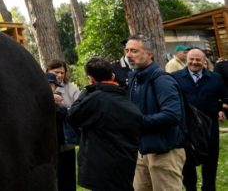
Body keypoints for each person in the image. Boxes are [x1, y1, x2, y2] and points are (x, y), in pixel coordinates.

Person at [67, 57, 142, 191]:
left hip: (101, 165)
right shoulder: (123, 95)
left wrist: (88, 89)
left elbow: (73, 115)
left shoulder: (95, 99)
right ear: (112, 75)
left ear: (90, 78)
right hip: (125, 160)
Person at [125, 34, 187, 190]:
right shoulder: (134, 78)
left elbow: (172, 115)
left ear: (149, 54)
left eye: (134, 50)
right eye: (127, 51)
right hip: (142, 150)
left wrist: (138, 122)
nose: (128, 55)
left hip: (165, 151)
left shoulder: (162, 80)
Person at [170, 47, 227, 191]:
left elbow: (224, 96)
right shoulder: (175, 77)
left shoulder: (215, 78)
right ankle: (190, 188)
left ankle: (209, 187)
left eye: (198, 60)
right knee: (187, 161)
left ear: (204, 61)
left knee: (210, 160)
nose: (194, 62)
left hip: (209, 126)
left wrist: (221, 109)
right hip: (186, 126)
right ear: (186, 60)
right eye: (191, 59)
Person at [49, 73, 76, 191]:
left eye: (53, 85)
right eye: (49, 84)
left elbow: (66, 114)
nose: (52, 87)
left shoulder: (59, 99)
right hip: (50, 148)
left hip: (65, 145)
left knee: (68, 180)